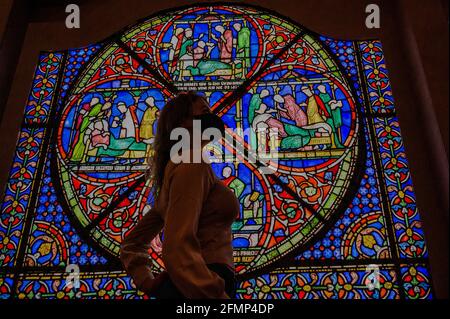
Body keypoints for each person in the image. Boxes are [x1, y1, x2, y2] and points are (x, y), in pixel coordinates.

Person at [120, 91, 239, 299]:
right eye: (203, 112)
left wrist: (146, 281)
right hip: (202, 284)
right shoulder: (191, 162)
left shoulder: (178, 169)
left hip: (196, 282)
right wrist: (214, 292)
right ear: (182, 123)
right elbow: (178, 244)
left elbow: (132, 243)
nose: (212, 117)